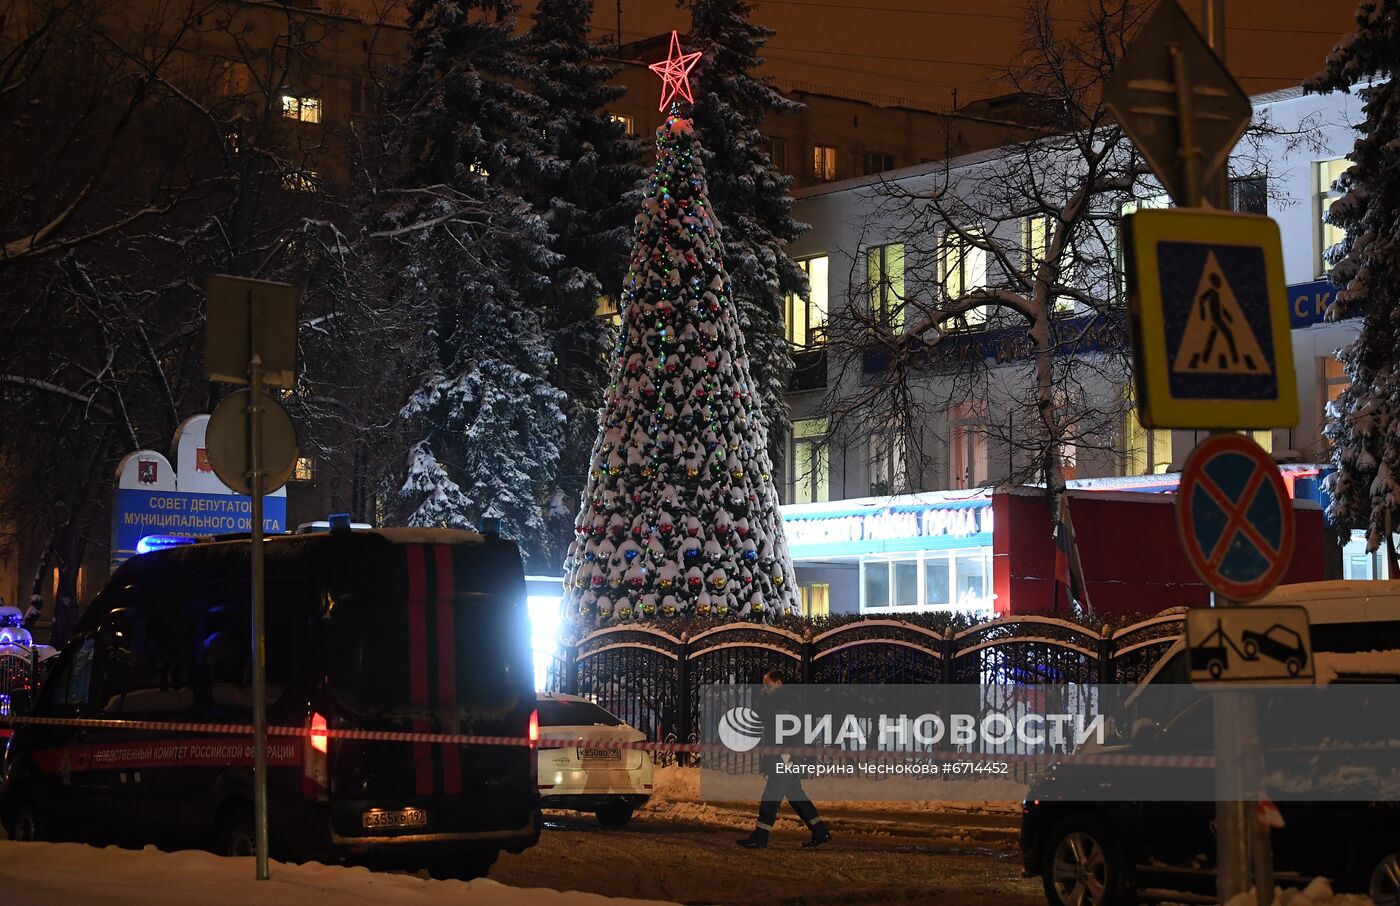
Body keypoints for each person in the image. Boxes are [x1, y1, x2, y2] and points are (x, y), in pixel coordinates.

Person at [736, 669, 832, 849]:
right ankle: (820, 832)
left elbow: (785, 731)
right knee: (796, 796)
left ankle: (760, 837)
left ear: (778, 683)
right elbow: (762, 719)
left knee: (771, 796)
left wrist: (786, 757)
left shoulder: (787, 701)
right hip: (786, 755)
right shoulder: (779, 700)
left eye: (767, 684)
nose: (765, 688)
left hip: (785, 756)